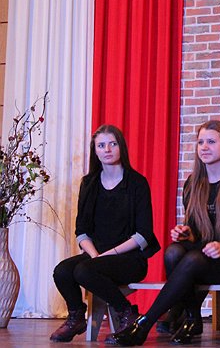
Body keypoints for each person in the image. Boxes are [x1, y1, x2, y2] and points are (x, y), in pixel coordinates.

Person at [113, 120, 220, 346]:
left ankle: (145, 323)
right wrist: (185, 233)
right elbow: (196, 233)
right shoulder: (193, 183)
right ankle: (192, 316)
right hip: (205, 255)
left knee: (191, 258)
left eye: (211, 142)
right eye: (200, 142)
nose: (204, 147)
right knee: (173, 252)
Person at [50, 124, 160, 343]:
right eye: (101, 145)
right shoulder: (89, 183)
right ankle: (76, 317)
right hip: (96, 257)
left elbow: (144, 234)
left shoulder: (137, 183)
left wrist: (106, 256)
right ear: (95, 150)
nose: (107, 149)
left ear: (121, 147)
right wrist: (95, 256)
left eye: (112, 144)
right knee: (62, 271)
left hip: (130, 258)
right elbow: (81, 231)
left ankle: (127, 313)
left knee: (84, 271)